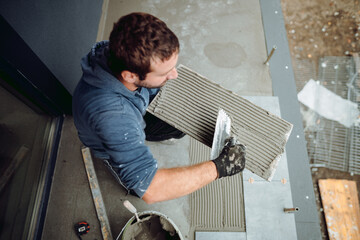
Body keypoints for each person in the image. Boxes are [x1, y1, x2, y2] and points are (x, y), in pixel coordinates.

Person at [72, 12, 246, 204]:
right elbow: (152, 189)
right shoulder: (114, 118)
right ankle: (128, 180)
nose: (174, 75)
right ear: (130, 76)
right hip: (111, 141)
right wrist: (219, 167)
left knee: (180, 125)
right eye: (164, 73)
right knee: (134, 184)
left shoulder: (118, 50)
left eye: (173, 67)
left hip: (137, 106)